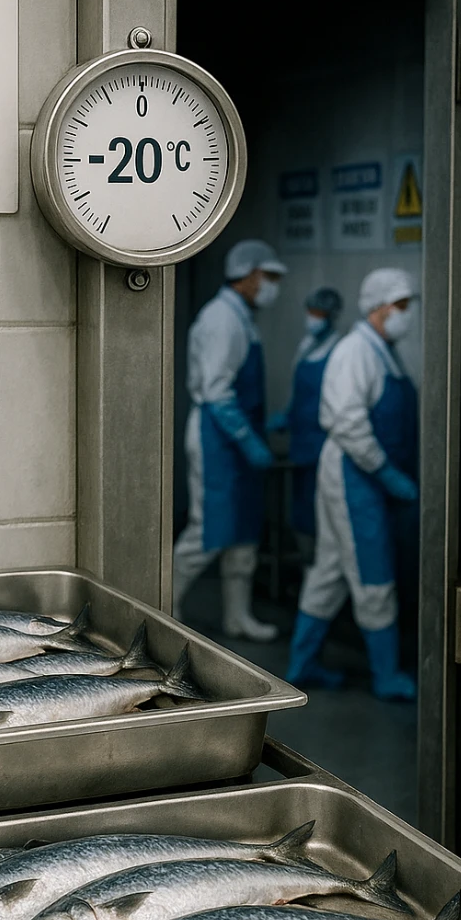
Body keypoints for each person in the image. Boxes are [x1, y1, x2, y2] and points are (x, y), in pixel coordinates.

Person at [283, 267, 419, 699]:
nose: (407, 315)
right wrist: (385, 471)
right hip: (353, 474)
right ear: (379, 307)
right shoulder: (355, 351)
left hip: (362, 474)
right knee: (372, 571)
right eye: (401, 306)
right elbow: (346, 421)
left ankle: (302, 665)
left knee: (330, 570)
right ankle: (386, 676)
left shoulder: (382, 350)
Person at [172, 239, 287, 641]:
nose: (272, 285)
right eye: (268, 276)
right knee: (209, 532)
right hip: (217, 439)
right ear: (247, 274)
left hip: (236, 438)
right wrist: (247, 438)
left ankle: (238, 617)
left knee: (242, 534)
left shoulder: (241, 317)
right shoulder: (223, 319)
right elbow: (217, 391)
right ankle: (165, 608)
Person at [268, 285, 344, 560]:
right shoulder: (306, 346)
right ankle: (304, 570)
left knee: (323, 515)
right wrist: (287, 417)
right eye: (310, 311)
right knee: (300, 511)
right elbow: (296, 393)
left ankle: (318, 570)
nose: (312, 317)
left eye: (318, 313)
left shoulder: (339, 350)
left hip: (324, 447)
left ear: (331, 315)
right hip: (301, 445)